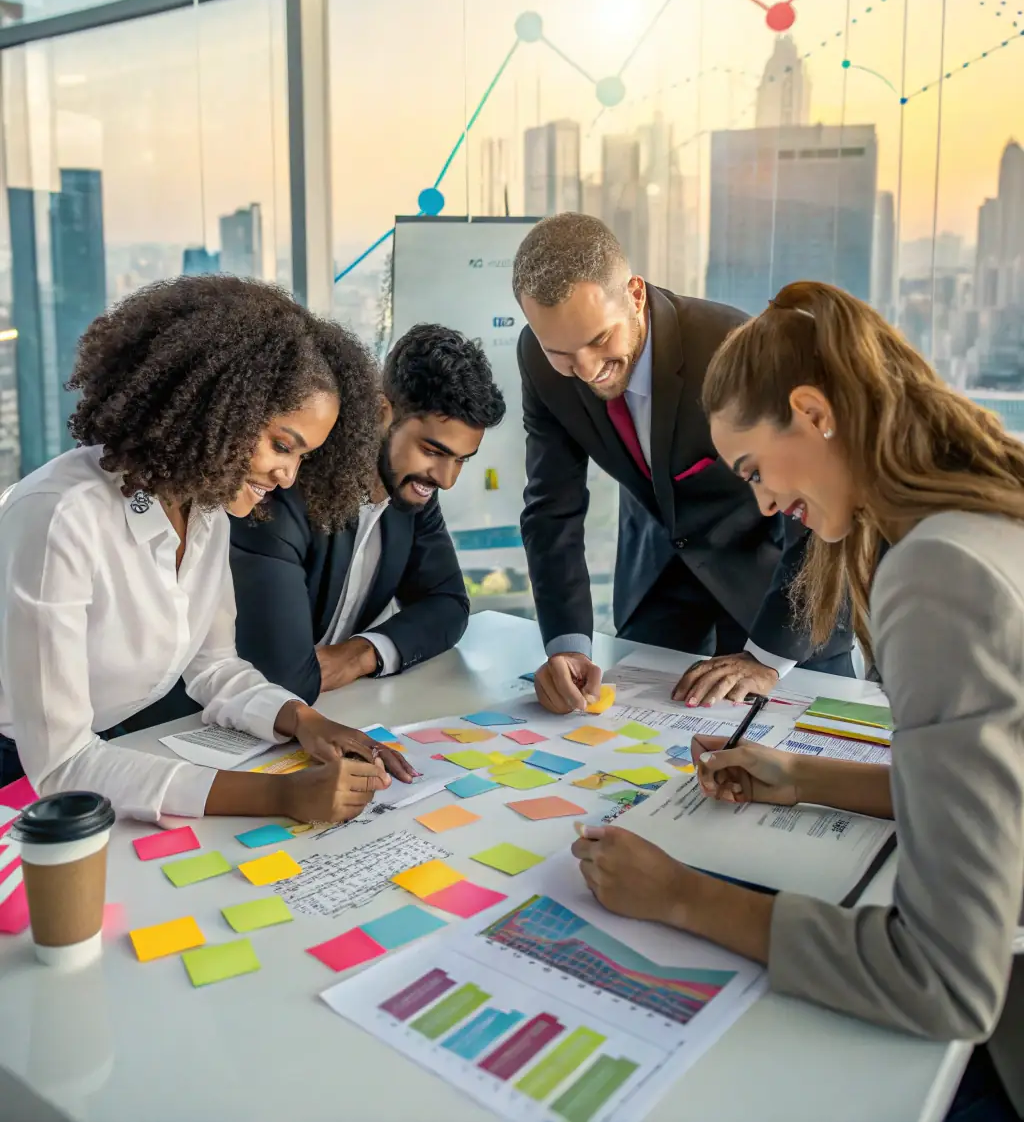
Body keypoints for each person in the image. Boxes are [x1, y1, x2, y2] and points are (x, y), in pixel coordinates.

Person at [571, 281, 1024, 1119]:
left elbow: (945, 979)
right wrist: (807, 776)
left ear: (814, 412)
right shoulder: (981, 520)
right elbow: (1000, 798)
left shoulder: (939, 573)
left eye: (753, 470)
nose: (765, 505)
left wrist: (681, 895)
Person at [0, 276, 417, 827]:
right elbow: (61, 763)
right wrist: (282, 796)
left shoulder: (205, 508)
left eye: (303, 457)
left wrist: (304, 721)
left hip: (97, 756)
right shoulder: (63, 517)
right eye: (281, 445)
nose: (288, 476)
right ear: (214, 407)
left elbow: (213, 666)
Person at [513, 214, 853, 716]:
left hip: (780, 600)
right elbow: (551, 507)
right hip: (659, 594)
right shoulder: (540, 361)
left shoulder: (732, 346)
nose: (584, 370)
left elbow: (823, 501)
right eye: (561, 351)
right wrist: (567, 643)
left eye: (599, 340)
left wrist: (767, 658)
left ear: (634, 293)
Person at [229, 324, 505, 700]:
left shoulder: (413, 491)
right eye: (434, 451)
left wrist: (362, 654)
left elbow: (449, 605)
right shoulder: (284, 490)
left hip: (329, 711)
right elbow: (284, 676)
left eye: (462, 461)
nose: (446, 479)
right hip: (203, 725)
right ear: (381, 413)